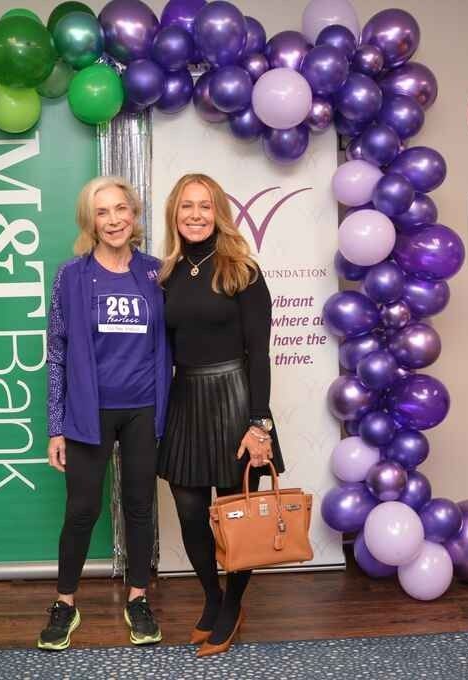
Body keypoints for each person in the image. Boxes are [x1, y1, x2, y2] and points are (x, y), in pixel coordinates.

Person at [38, 176, 172, 651]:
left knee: (139, 507)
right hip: (88, 412)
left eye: (121, 209)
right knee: (81, 510)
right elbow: (56, 352)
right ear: (89, 221)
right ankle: (65, 603)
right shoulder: (70, 277)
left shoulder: (158, 273)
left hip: (143, 410)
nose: (113, 220)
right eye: (102, 212)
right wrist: (56, 425)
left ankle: (137, 598)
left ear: (134, 215)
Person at [157, 173, 285, 657]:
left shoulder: (242, 272)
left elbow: (261, 353)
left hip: (234, 397)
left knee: (236, 513)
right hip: (185, 397)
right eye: (186, 206)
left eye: (205, 206)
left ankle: (232, 606)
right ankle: (212, 597)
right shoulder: (164, 275)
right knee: (190, 511)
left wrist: (260, 424)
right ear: (174, 213)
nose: (195, 215)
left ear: (219, 214)